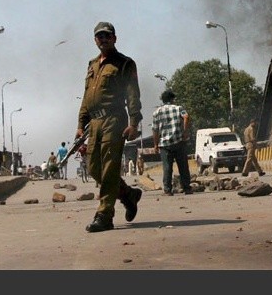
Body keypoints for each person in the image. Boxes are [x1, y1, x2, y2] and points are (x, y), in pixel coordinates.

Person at [75, 21, 143, 233]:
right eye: (99, 36)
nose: (103, 39)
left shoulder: (125, 63)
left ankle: (105, 215)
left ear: (114, 38)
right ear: (95, 40)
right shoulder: (92, 65)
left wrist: (134, 122)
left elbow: (133, 94)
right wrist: (80, 124)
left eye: (107, 36)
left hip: (114, 121)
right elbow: (87, 96)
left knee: (110, 168)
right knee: (94, 168)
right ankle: (128, 194)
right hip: (94, 124)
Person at [151, 89, 193, 196]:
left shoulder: (157, 112)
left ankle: (167, 190)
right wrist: (185, 132)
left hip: (164, 145)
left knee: (167, 168)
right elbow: (186, 117)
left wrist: (155, 145)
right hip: (179, 142)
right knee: (183, 166)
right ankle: (187, 188)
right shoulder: (179, 108)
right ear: (172, 99)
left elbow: (155, 130)